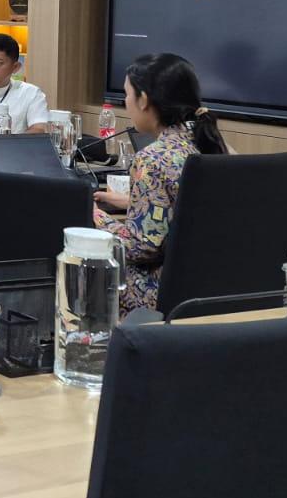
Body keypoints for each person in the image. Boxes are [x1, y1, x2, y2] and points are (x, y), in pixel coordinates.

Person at [93, 53, 227, 314]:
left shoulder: (153, 159)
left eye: (127, 94)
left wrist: (96, 216)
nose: (125, 102)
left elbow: (139, 248)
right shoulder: (212, 144)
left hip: (160, 292)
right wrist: (132, 202)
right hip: (211, 286)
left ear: (143, 100)